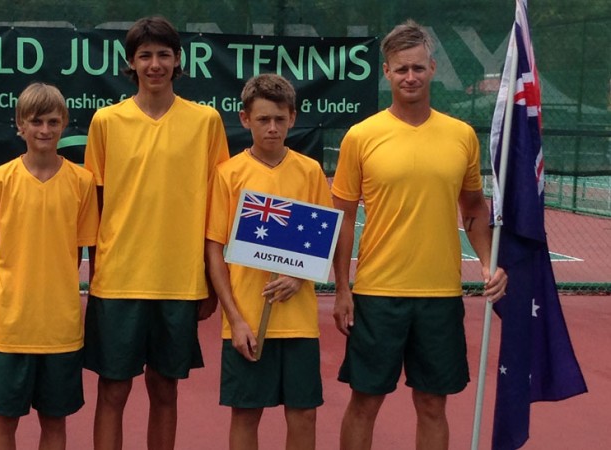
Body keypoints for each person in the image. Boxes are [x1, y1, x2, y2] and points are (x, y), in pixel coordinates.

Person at [331, 20, 508, 450]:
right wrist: (340, 289)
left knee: (432, 404)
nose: (409, 77)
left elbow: (473, 210)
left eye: (417, 67)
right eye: (400, 69)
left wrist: (488, 264)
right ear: (386, 73)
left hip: (440, 296)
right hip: (376, 293)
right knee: (365, 400)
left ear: (431, 68)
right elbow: (342, 217)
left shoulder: (461, 135)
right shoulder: (361, 136)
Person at [83, 15, 230, 450]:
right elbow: (97, 206)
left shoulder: (206, 122)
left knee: (165, 390)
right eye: (145, 55)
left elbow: (217, 208)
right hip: (119, 282)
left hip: (179, 283)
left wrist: (210, 282)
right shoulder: (106, 122)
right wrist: (96, 277)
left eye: (163, 54)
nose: (154, 64)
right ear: (131, 63)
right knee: (113, 391)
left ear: (177, 60)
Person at [0, 82, 100, 450]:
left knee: (54, 421)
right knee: (4, 418)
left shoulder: (82, 182)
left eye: (53, 121)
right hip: (9, 327)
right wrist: (12, 292)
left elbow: (77, 253)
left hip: (60, 328)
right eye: (36, 121)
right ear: (20, 125)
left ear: (65, 124)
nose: (45, 129)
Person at [205, 73, 331, 450]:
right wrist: (236, 319)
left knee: (303, 413)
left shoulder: (309, 172)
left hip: (299, 323)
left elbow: (320, 246)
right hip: (246, 321)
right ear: (245, 120)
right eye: (262, 119)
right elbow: (215, 250)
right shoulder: (228, 174)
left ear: (292, 117)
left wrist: (299, 277)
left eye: (279, 118)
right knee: (246, 413)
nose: (272, 128)